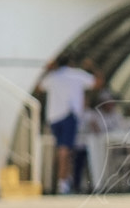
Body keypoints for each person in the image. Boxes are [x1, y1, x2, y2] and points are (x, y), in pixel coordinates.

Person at [34, 55, 103, 194]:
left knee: (61, 149)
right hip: (68, 115)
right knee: (65, 150)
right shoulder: (77, 75)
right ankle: (63, 183)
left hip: (53, 117)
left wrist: (46, 69)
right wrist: (93, 67)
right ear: (71, 63)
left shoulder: (52, 77)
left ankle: (63, 180)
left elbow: (38, 87)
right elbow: (98, 83)